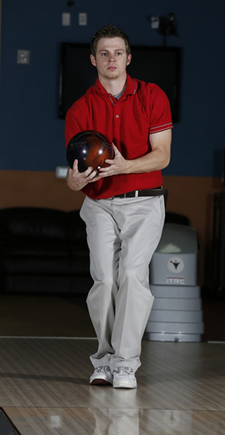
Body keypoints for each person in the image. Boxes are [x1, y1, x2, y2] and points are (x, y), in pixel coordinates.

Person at [65, 24, 172, 389]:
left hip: (145, 203)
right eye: (105, 53)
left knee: (131, 275)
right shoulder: (80, 108)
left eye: (118, 52)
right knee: (104, 280)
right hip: (99, 204)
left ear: (129, 57)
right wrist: (75, 182)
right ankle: (104, 359)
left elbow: (162, 156)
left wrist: (126, 166)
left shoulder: (152, 96)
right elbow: (73, 174)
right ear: (93, 60)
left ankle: (125, 364)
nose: (112, 59)